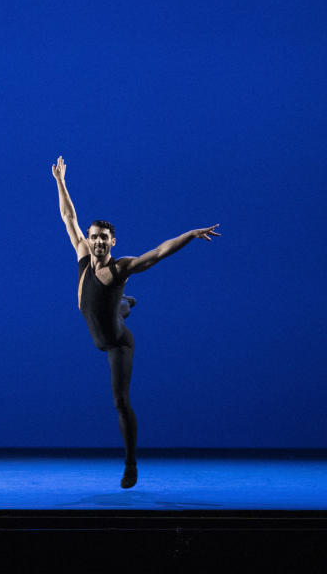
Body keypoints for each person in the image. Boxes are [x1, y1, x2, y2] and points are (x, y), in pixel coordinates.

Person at [51, 155, 219, 488]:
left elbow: (158, 253)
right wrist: (60, 180)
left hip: (115, 342)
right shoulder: (82, 254)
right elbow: (69, 217)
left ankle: (130, 462)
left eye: (104, 238)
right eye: (94, 236)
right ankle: (125, 304)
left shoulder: (121, 268)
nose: (98, 241)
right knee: (114, 308)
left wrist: (190, 234)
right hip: (98, 317)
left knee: (120, 399)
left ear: (113, 242)